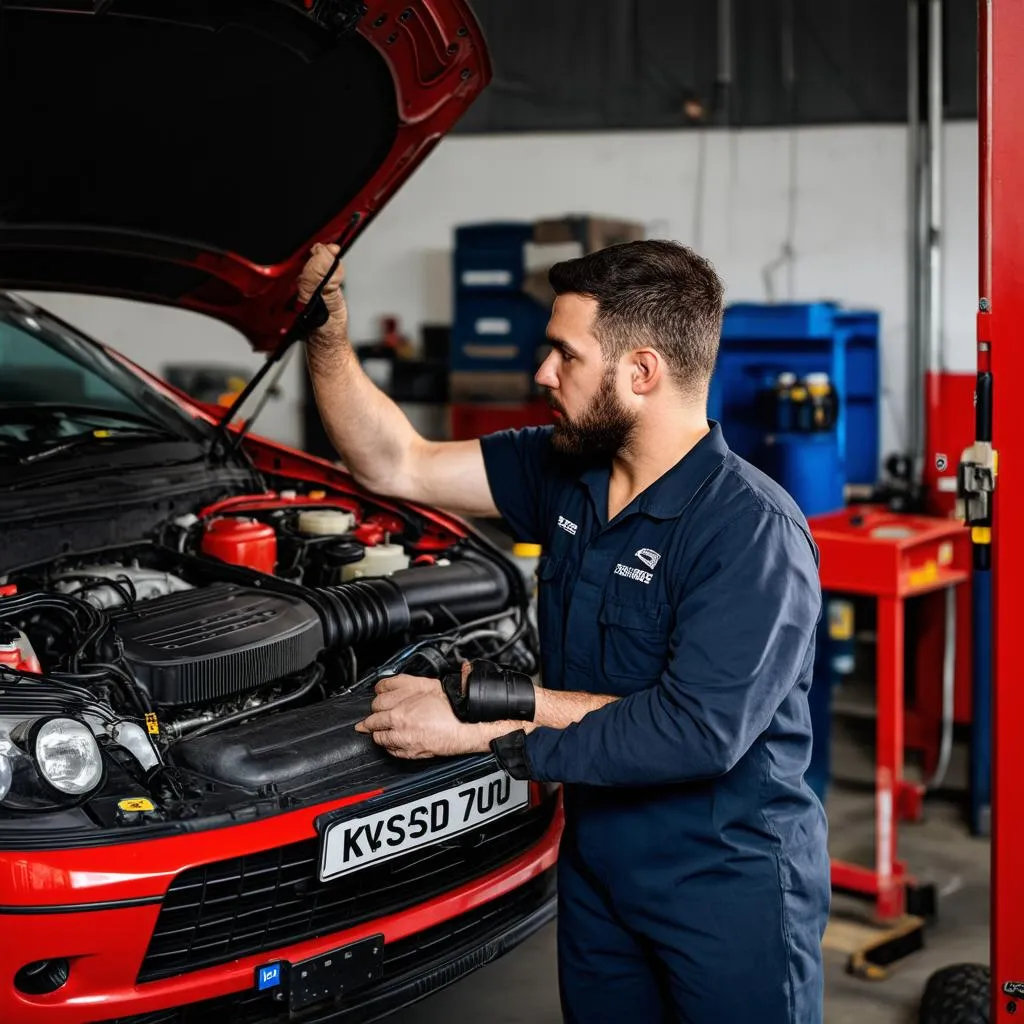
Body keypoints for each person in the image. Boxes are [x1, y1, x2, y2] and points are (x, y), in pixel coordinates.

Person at [298, 238, 830, 1024]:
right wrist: (328, 335)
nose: (543, 374)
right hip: (599, 870)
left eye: (565, 354)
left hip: (727, 886)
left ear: (641, 372)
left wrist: (480, 721)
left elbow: (694, 731)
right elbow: (394, 464)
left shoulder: (748, 530)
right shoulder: (564, 470)